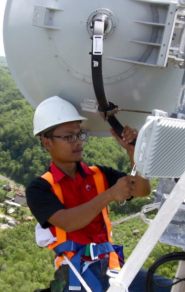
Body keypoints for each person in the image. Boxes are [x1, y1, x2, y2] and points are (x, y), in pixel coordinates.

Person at [26, 96, 170, 292]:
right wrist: (109, 195)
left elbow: (141, 190)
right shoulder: (40, 188)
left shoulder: (99, 174)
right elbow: (67, 222)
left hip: (111, 265)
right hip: (75, 272)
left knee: (174, 288)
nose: (77, 142)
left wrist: (134, 154)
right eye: (69, 137)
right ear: (47, 143)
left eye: (79, 135)